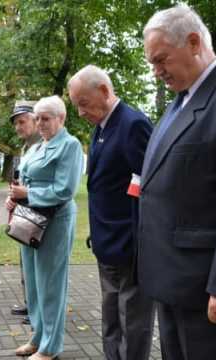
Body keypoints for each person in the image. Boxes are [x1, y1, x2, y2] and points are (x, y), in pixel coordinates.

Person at [139, 4, 216, 359]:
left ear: (194, 42)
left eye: (161, 60)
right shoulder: (179, 103)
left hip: (201, 288)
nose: (157, 72)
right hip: (169, 279)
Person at [68, 65, 154, 360]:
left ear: (104, 91)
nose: (80, 112)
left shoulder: (133, 124)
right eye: (76, 105)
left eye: (83, 103)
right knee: (110, 319)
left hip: (129, 247)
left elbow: (149, 188)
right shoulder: (100, 127)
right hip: (106, 244)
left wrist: (137, 239)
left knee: (133, 322)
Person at [7, 95, 83, 360]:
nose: (39, 123)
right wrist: (14, 197)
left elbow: (65, 189)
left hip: (55, 222)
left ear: (61, 119)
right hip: (30, 220)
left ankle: (50, 347)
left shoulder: (70, 146)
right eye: (37, 118)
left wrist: (26, 192)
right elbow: (22, 180)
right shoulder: (36, 147)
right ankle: (39, 337)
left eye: (45, 118)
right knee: (34, 284)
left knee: (51, 284)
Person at [8, 101, 40, 324]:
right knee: (26, 262)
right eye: (16, 123)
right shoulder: (26, 146)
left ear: (36, 120)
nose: (18, 127)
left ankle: (37, 309)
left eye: (22, 121)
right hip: (24, 212)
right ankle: (31, 304)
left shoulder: (43, 144)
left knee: (37, 265)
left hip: (38, 214)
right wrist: (11, 197)